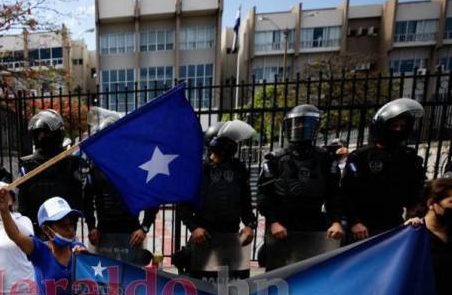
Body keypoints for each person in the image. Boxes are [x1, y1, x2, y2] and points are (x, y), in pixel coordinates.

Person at [257, 104, 345, 269]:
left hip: (314, 224)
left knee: (312, 274)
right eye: (297, 123)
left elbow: (334, 194)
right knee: (279, 277)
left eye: (306, 124)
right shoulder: (276, 160)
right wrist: (274, 221)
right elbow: (264, 195)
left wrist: (336, 221)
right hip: (282, 226)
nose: (301, 127)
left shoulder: (325, 159)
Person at [175, 120, 256, 280]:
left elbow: (246, 202)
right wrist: (194, 228)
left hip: (232, 236)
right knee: (200, 284)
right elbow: (183, 205)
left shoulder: (238, 169)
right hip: (204, 236)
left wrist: (249, 225)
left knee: (234, 284)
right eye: (228, 142)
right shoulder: (198, 170)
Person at [342, 98, 426, 240]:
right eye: (394, 126)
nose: (398, 130)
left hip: (394, 224)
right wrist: (354, 222)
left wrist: (414, 214)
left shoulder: (408, 157)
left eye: (402, 127)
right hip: (362, 227)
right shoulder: (361, 156)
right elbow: (345, 193)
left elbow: (416, 189)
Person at [82, 112, 158, 266]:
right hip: (103, 233)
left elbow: (153, 196)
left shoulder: (137, 166)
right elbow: (86, 198)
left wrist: (144, 227)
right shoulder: (95, 166)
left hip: (131, 232)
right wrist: (91, 226)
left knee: (133, 282)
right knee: (105, 283)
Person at [17, 110, 84, 234]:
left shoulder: (70, 162)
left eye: (47, 134)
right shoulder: (27, 164)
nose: (43, 137)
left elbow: (77, 196)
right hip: (35, 228)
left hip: (64, 226)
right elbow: (23, 199)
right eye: (40, 134)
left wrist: (71, 224)